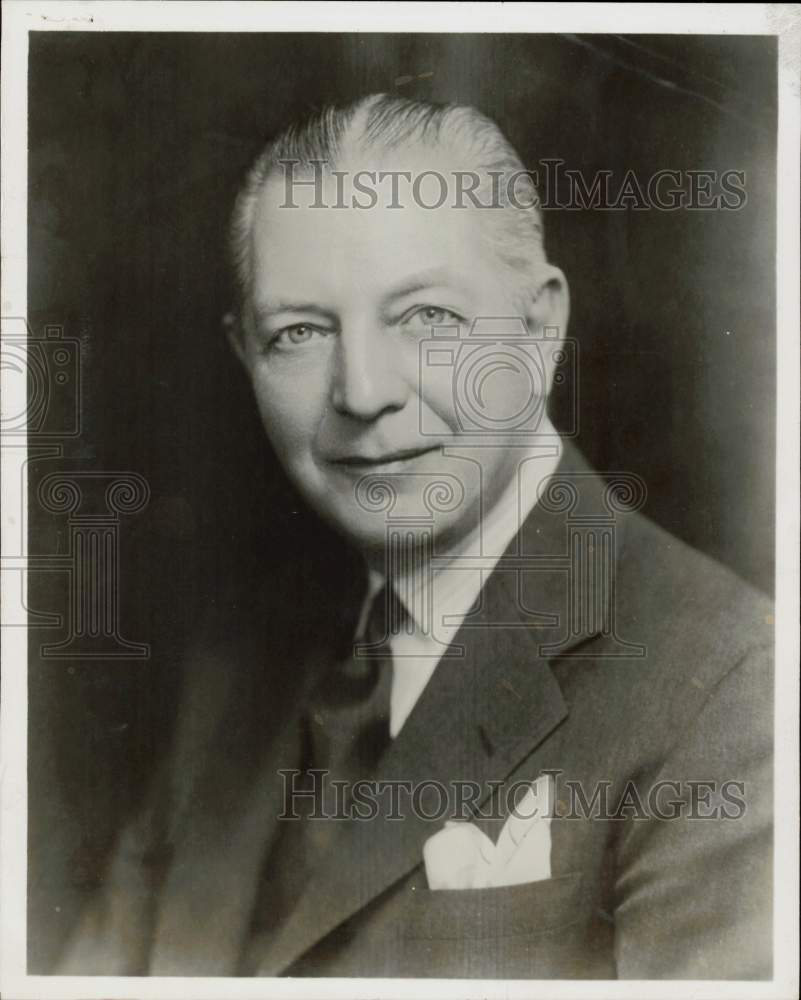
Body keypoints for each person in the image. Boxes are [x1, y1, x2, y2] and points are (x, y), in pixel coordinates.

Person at [57, 94, 772, 980]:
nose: (362, 391)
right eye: (301, 332)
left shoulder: (737, 690)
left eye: (426, 318)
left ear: (540, 327)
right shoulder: (236, 673)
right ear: (245, 355)